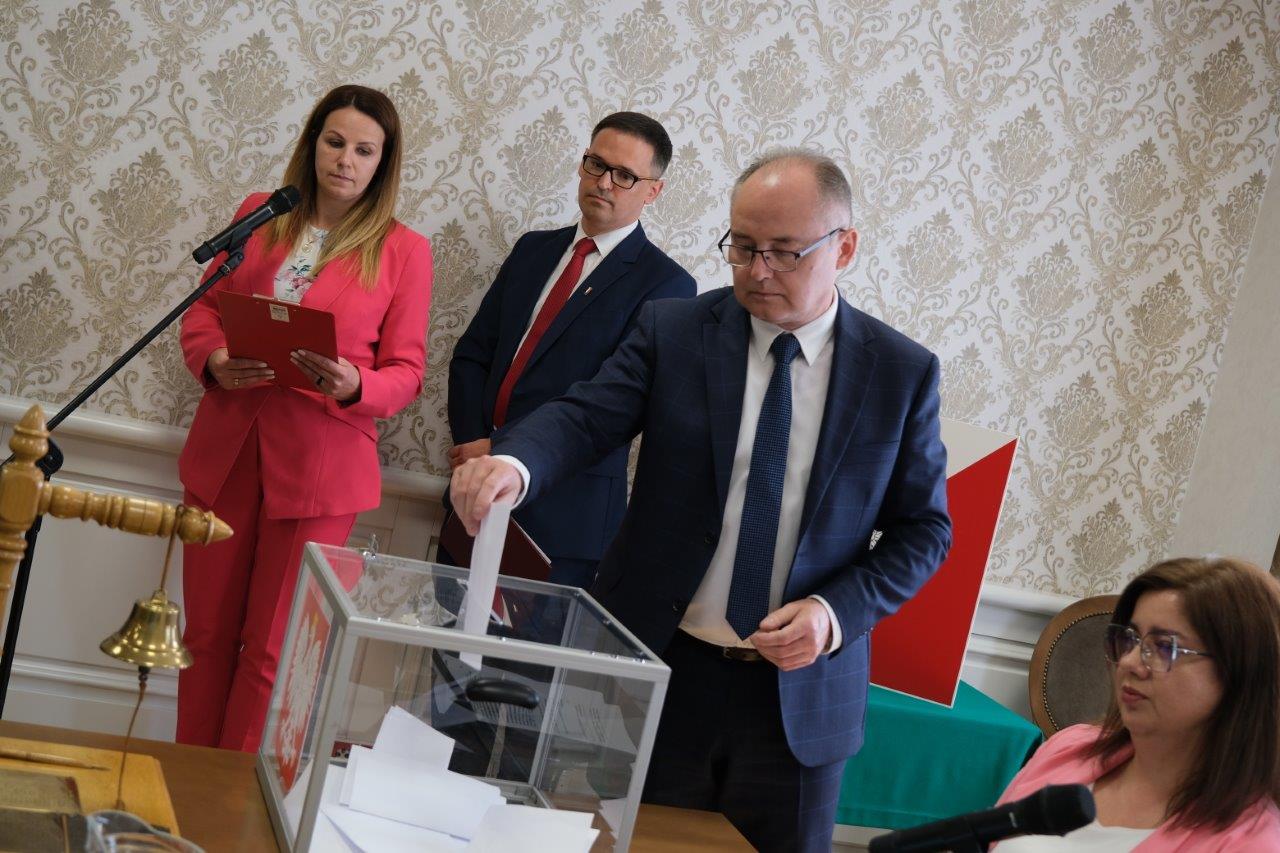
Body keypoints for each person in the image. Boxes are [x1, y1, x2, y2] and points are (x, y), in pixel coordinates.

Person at [450, 149, 952, 851]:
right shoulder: (675, 331)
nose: (757, 271)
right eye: (742, 247)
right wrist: (513, 462)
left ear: (844, 249)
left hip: (799, 700)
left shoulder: (900, 372)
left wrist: (834, 613)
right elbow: (585, 417)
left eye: (784, 252)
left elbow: (924, 531)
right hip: (666, 677)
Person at [176, 84, 432, 752]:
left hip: (320, 468)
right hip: (228, 448)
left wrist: (355, 384)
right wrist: (214, 358)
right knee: (203, 635)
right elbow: (204, 310)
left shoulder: (404, 250)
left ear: (383, 163)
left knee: (274, 649)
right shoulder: (260, 213)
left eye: (364, 150)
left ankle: (228, 798)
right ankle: (183, 782)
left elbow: (407, 370)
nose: (346, 160)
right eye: (335, 142)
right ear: (313, 143)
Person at [446, 111, 694, 588]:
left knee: (527, 642)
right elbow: (473, 354)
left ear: (653, 191)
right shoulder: (533, 250)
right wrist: (475, 445)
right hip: (470, 492)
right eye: (595, 164)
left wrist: (502, 451)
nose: (604, 182)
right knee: (444, 632)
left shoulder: (667, 286)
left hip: (563, 519)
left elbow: (613, 405)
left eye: (624, 175)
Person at [995, 556, 1280, 850]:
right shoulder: (1069, 748)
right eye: (1130, 639)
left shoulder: (1252, 842)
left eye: (1164, 646)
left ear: (1240, 674)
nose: (1129, 662)